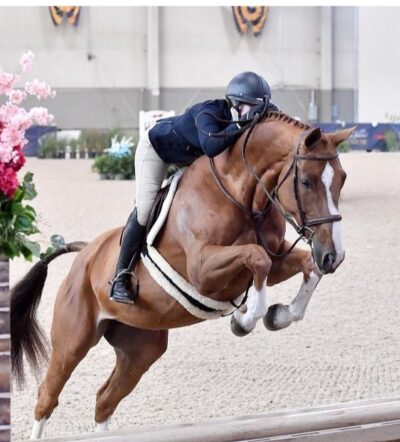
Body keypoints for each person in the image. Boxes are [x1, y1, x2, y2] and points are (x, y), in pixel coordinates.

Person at [109, 71, 275, 304]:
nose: (258, 115)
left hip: (191, 158)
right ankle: (121, 276)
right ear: (235, 105)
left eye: (261, 109)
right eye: (252, 108)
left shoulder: (249, 112)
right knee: (146, 209)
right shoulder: (208, 112)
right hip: (158, 150)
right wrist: (247, 122)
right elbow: (211, 145)